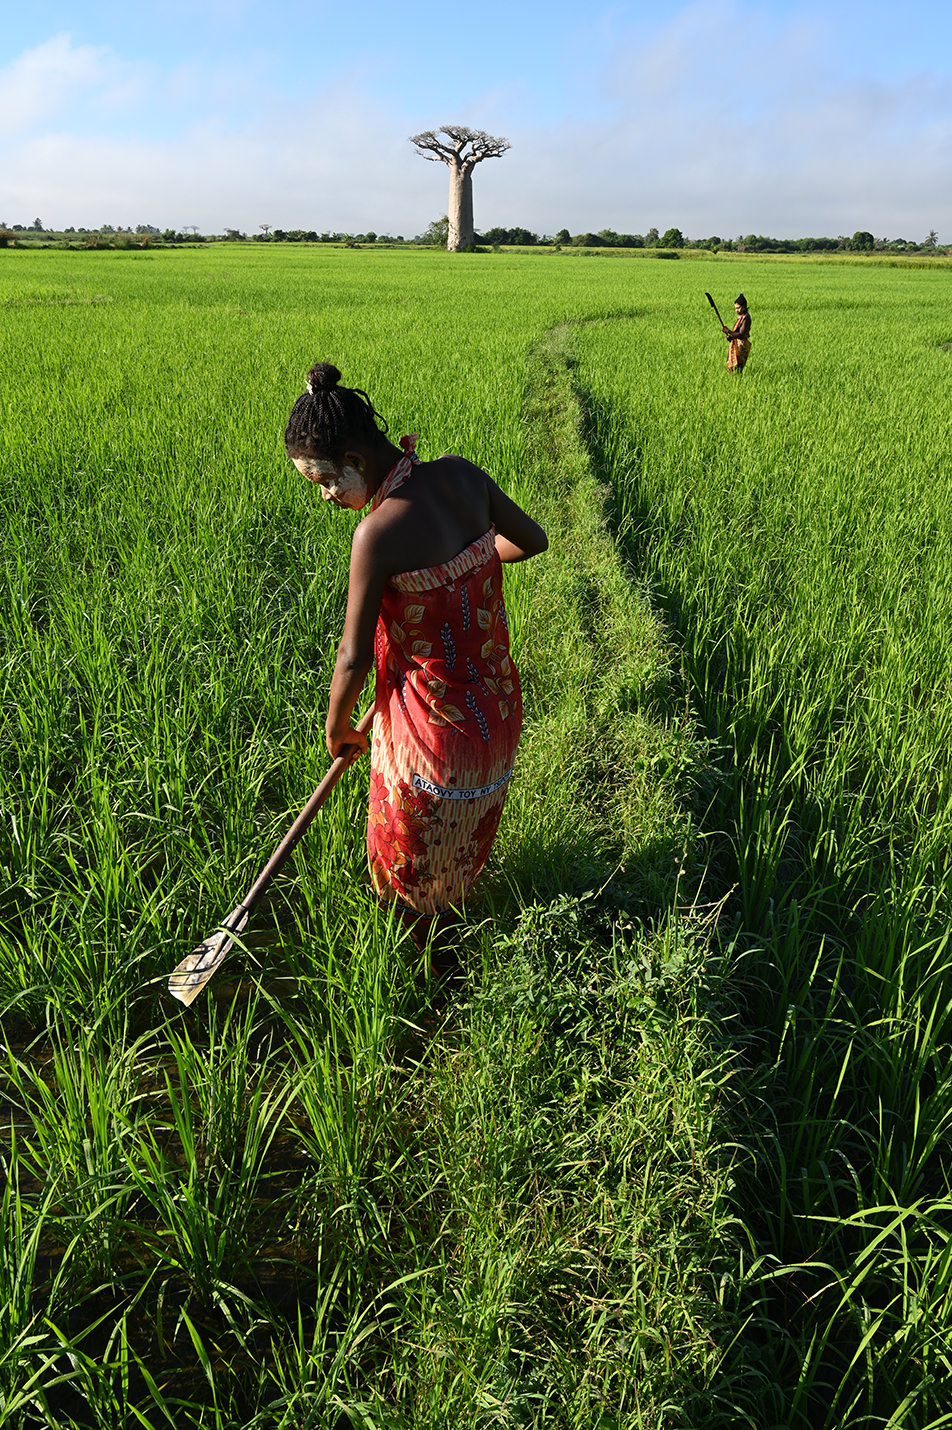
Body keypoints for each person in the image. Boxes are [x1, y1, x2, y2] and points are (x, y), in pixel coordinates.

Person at [284, 362, 548, 927]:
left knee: (407, 883)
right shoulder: (462, 474)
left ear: (355, 461)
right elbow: (531, 540)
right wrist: (466, 562)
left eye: (326, 482)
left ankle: (415, 966)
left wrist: (338, 728)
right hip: (496, 720)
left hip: (430, 742)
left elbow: (352, 655)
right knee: (458, 861)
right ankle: (454, 939)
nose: (328, 497)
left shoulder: (375, 535)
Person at [723, 293, 752, 372]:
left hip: (741, 347)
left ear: (744, 306)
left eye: (738, 308)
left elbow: (741, 335)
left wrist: (728, 331)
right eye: (735, 308)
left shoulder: (746, 318)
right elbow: (737, 334)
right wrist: (731, 337)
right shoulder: (741, 317)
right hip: (737, 345)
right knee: (733, 370)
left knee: (738, 370)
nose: (737, 310)